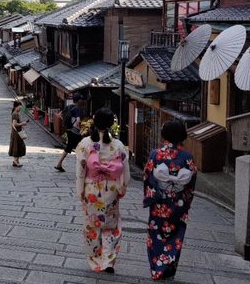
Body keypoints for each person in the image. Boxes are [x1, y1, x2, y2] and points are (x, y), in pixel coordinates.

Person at [75, 107, 130, 274]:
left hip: (91, 188)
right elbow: (125, 171)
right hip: (111, 189)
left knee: (92, 225)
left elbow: (80, 170)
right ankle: (108, 261)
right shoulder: (118, 145)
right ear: (111, 124)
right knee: (111, 226)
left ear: (94, 121)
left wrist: (80, 191)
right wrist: (123, 187)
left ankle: (96, 261)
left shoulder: (85, 143)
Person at [143, 120, 197, 281]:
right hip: (178, 203)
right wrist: (186, 201)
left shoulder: (156, 154)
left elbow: (148, 176)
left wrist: (150, 197)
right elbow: (191, 183)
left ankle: (157, 269)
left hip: (159, 202)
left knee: (156, 234)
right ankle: (168, 270)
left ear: (164, 135)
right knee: (175, 236)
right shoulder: (187, 157)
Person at [54, 93, 84, 172]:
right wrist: (80, 128)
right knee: (81, 147)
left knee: (70, 147)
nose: (82, 101)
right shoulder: (77, 109)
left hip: (69, 130)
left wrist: (67, 123)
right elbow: (78, 121)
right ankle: (82, 166)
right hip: (75, 131)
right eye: (81, 99)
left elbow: (60, 114)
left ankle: (59, 164)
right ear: (78, 100)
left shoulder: (68, 107)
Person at [9, 100, 28, 167]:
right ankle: (15, 161)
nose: (20, 109)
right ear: (16, 107)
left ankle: (16, 161)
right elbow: (15, 124)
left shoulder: (16, 113)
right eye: (20, 108)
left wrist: (21, 124)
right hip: (16, 133)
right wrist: (22, 123)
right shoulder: (15, 114)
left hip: (17, 132)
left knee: (19, 146)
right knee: (17, 146)